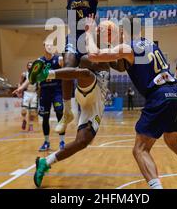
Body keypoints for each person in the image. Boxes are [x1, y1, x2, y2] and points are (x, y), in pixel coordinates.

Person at [84, 17, 177, 189]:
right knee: (173, 142)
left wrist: (88, 33)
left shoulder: (127, 47)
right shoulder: (151, 44)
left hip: (159, 96)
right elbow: (123, 65)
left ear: (124, 31)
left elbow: (94, 55)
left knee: (139, 149)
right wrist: (112, 43)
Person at [54, 0, 120, 134]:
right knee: (66, 65)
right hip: (74, 38)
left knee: (93, 66)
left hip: (90, 38)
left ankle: (99, 93)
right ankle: (66, 112)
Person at [15, 53, 116, 188]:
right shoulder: (89, 53)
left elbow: (121, 66)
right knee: (85, 72)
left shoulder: (112, 52)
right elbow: (85, 60)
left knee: (82, 141)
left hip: (98, 102)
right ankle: (45, 74)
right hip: (90, 87)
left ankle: (45, 162)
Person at [35, 42, 66, 151]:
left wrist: (63, 63)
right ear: (43, 46)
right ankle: (46, 142)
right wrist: (21, 88)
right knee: (45, 118)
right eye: (47, 45)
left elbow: (66, 70)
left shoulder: (59, 59)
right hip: (44, 92)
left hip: (56, 91)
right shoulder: (39, 61)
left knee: (59, 113)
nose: (49, 47)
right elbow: (32, 77)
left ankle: (62, 141)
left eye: (51, 45)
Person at [18, 62, 38, 131]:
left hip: (34, 93)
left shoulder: (37, 75)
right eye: (29, 65)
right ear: (27, 66)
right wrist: (19, 91)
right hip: (27, 93)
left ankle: (31, 125)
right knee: (24, 111)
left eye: (31, 65)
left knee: (33, 112)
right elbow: (20, 83)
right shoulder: (24, 74)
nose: (30, 66)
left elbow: (39, 86)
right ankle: (24, 120)